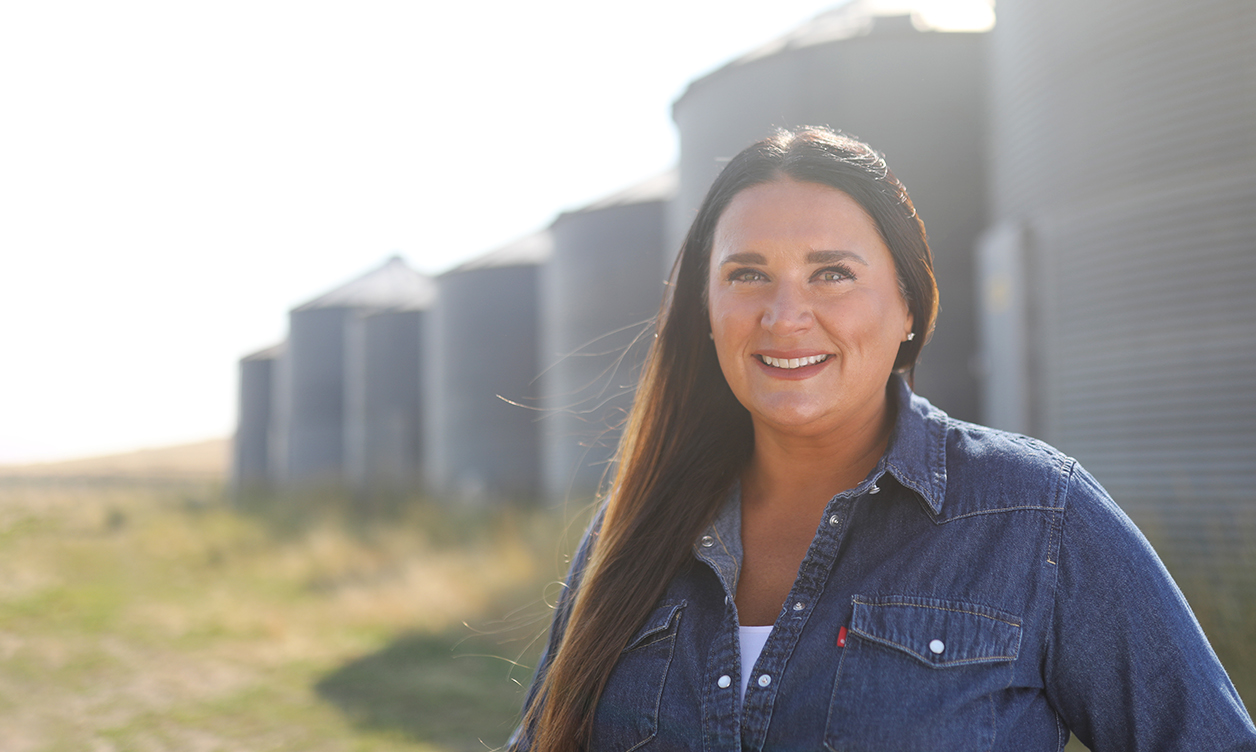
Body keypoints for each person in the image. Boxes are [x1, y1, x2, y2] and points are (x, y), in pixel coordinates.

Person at [510, 127, 1256, 751]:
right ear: (706, 311)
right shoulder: (637, 527)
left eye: (831, 272)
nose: (785, 314)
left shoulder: (1036, 517)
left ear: (907, 305)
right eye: (747, 275)